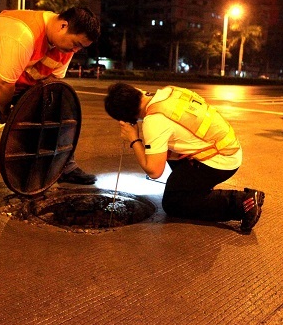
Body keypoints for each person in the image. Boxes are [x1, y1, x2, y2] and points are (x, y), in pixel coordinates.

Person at [0, 7, 100, 223]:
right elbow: (4, 84)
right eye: (77, 43)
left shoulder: (65, 47)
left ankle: (64, 166)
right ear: (63, 25)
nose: (77, 50)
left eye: (82, 47)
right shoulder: (21, 33)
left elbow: (52, 84)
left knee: (56, 111)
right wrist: (6, 113)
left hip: (22, 81)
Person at [104, 83, 265, 232]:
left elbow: (154, 171)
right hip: (224, 146)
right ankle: (197, 189)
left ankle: (242, 202)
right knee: (162, 151)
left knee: (173, 202)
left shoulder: (154, 121)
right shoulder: (168, 92)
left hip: (220, 160)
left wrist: (134, 138)